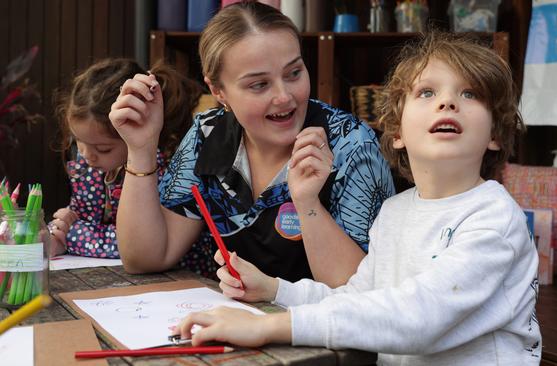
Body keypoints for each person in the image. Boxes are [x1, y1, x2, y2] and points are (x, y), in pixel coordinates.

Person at [173, 31, 542, 365]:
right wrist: (274, 289)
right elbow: (357, 298)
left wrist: (269, 328)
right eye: (427, 93)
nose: (447, 103)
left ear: (495, 133)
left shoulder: (493, 218)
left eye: (470, 93)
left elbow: (419, 316)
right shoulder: (395, 212)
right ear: (396, 132)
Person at [108, 2, 394, 285]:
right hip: (227, 323)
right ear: (218, 91)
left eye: (294, 73)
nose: (284, 97)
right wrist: (141, 149)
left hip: (316, 328)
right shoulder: (207, 134)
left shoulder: (352, 145)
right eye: (259, 84)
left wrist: (308, 205)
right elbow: (145, 258)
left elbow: (360, 289)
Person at [50, 58, 202, 258]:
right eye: (77, 141)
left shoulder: (164, 171)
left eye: (103, 148)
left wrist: (73, 235)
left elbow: (140, 245)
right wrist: (57, 231)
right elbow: (77, 217)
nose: (87, 155)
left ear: (133, 131)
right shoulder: (86, 168)